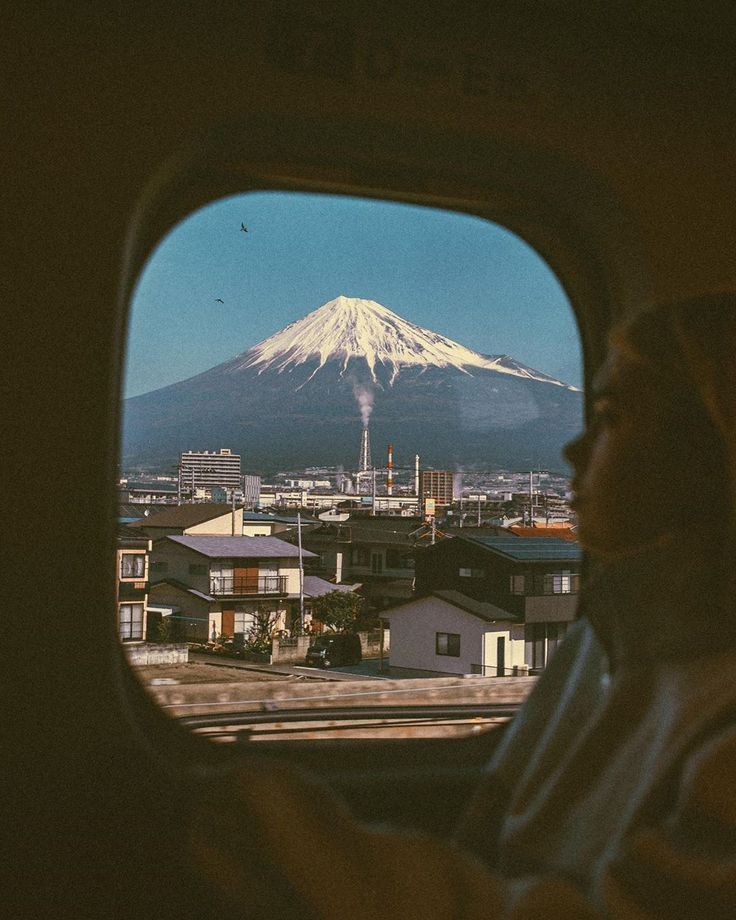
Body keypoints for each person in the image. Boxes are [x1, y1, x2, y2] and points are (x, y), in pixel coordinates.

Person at [190, 296, 736, 919]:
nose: (573, 451)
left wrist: (305, 849)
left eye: (610, 416)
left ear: (712, 453)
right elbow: (492, 840)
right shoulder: (608, 632)